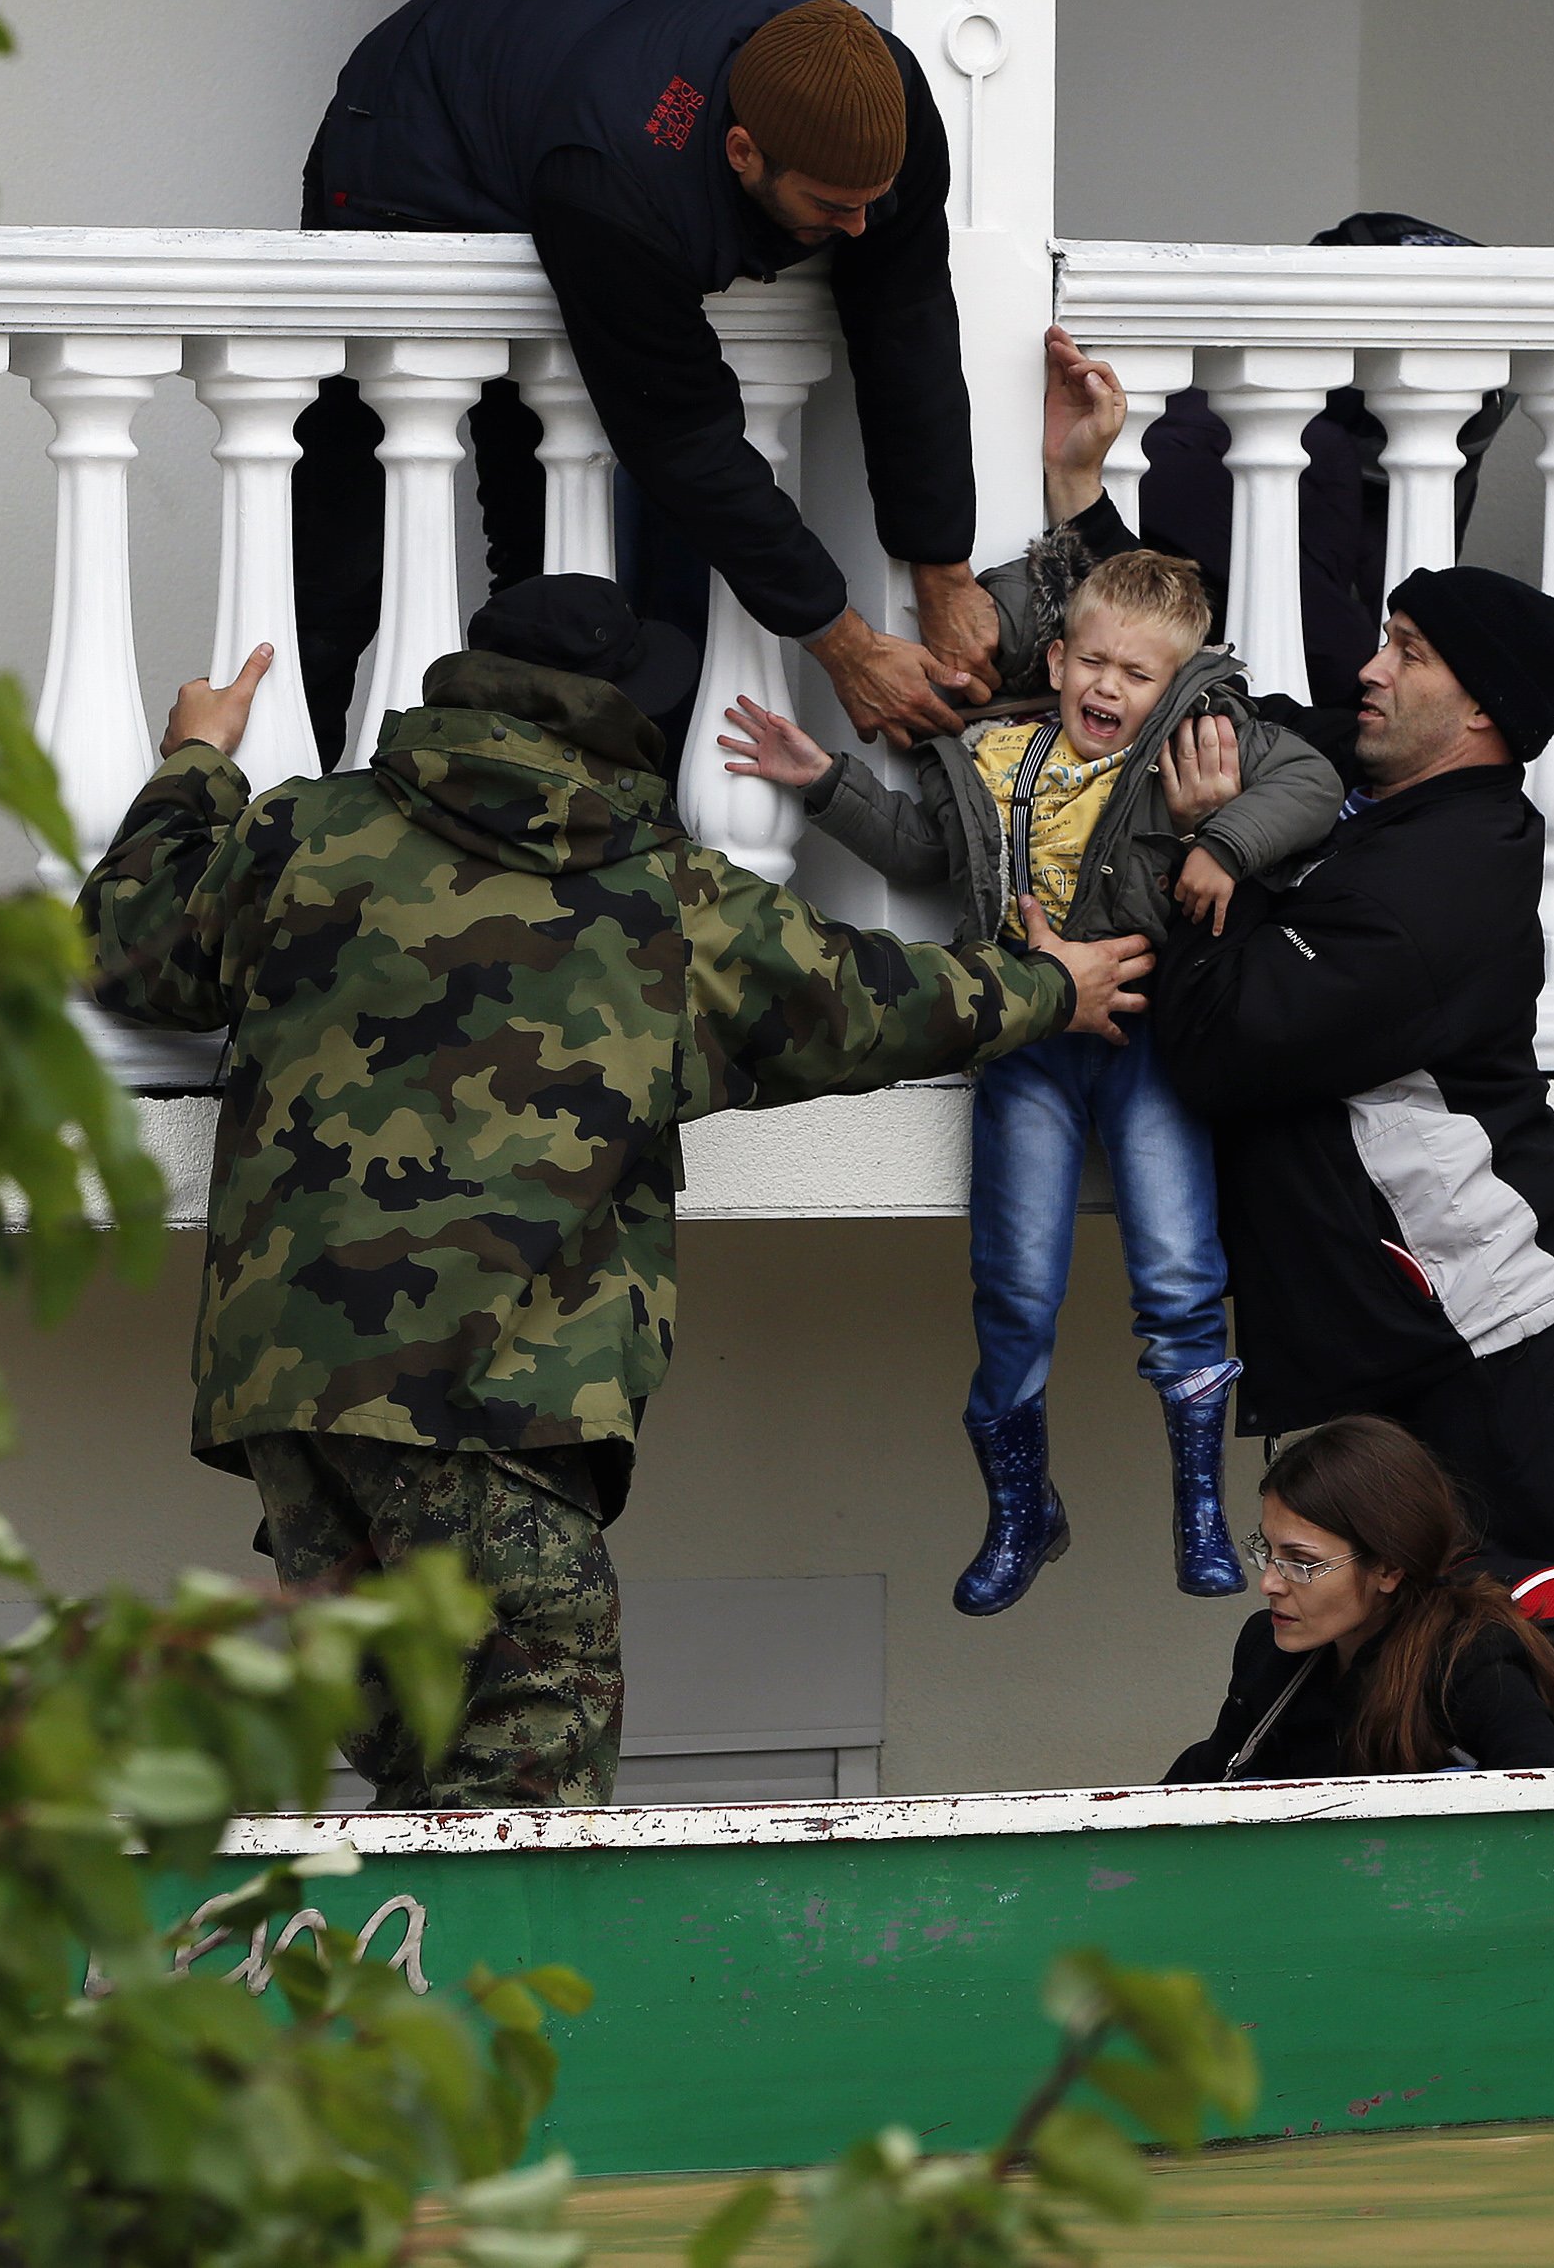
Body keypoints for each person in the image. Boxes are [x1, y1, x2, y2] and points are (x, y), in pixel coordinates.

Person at [77, 584, 1152, 1807]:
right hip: (489, 1393)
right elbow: (864, 1000)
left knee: (413, 1751)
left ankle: (391, 1983)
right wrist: (1048, 985)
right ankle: (479, 1995)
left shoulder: (303, 835)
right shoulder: (660, 895)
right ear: (624, 716)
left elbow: (125, 939)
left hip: (292, 1385)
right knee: (530, 1746)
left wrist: (196, 763)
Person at [1033, 332, 1554, 1607]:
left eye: (1408, 652)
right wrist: (1080, 496)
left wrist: (1216, 857)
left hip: (1501, 1335)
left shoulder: (1446, 887)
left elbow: (1220, 1049)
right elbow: (1190, 699)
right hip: (1399, 1341)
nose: (1368, 666)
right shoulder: (1372, 788)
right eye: (1383, 638)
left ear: (1477, 711)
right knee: (1381, 1666)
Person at [718, 462, 1342, 1617]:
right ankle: (1019, 1509)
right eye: (1091, 662)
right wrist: (823, 783)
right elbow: (918, 852)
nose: (1108, 685)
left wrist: (1224, 842)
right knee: (1011, 1281)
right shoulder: (997, 754)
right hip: (1025, 1039)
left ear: (1171, 687)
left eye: (1136, 673)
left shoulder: (1192, 748)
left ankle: (1199, 1506)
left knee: (1175, 1267)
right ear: (1053, 661)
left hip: (1146, 1041)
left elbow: (1311, 778)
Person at [294, 0, 992, 756]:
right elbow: (686, 441)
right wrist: (847, 646)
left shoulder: (886, 99)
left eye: (874, 203)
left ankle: (529, 803)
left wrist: (942, 566)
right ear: (743, 152)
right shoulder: (614, 181)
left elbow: (905, 321)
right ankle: (275, 809)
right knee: (343, 558)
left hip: (563, 80)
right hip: (411, 136)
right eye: (833, 206)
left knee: (541, 543)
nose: (859, 230)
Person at [1164, 1416, 1554, 1783]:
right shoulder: (1268, 1650)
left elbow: (1553, 1802)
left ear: (1388, 1568)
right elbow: (1201, 1784)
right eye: (1267, 1551)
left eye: (1301, 1562)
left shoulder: (1467, 1660)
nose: (1270, 1584)